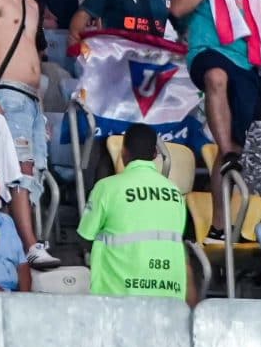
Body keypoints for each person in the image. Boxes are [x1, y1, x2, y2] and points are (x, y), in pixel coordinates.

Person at [75, 122, 189, 299]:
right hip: (169, 296)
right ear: (155, 154)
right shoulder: (175, 191)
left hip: (117, 297)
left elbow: (85, 237)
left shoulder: (106, 188)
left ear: (123, 152)